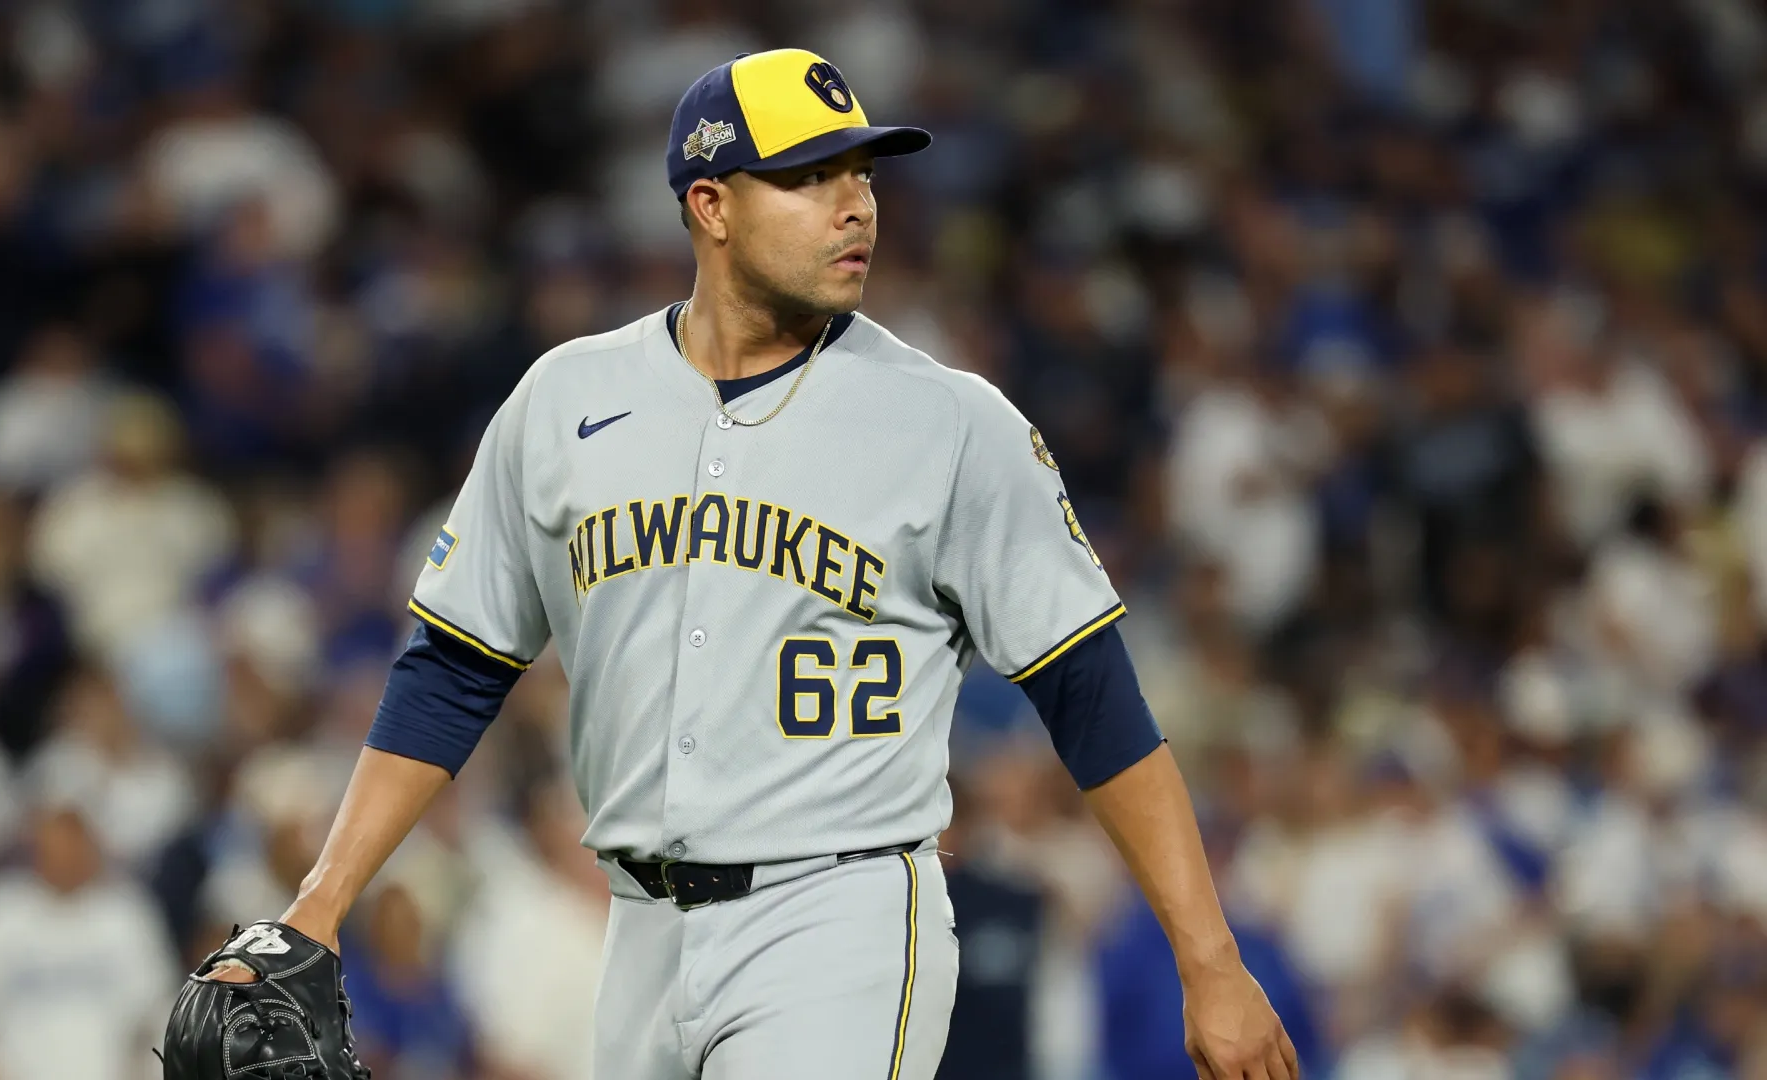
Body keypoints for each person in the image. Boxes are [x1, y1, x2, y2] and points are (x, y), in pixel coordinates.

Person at [208, 48, 1297, 1080]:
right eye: (809, 177)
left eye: (862, 174)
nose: (856, 204)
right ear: (710, 205)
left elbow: (1091, 693)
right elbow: (452, 669)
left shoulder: (950, 424)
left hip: (842, 916)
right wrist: (320, 904)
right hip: (635, 929)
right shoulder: (564, 401)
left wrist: (1208, 960)